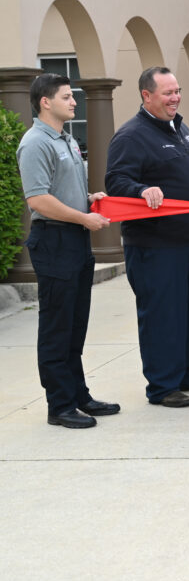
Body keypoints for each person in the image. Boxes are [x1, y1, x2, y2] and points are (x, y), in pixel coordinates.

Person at [106, 67, 189, 408]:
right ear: (147, 96)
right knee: (162, 315)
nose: (175, 97)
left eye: (177, 91)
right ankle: (161, 386)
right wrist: (142, 189)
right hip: (156, 247)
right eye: (167, 93)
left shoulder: (181, 129)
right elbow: (116, 181)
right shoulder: (131, 136)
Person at [16, 73, 119, 428]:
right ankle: (59, 405)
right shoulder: (35, 143)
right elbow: (39, 200)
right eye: (66, 96)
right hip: (55, 240)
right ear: (45, 102)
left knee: (75, 326)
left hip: (74, 238)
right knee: (57, 327)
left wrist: (89, 201)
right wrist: (83, 217)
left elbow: (60, 192)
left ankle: (78, 395)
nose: (74, 101)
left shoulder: (66, 140)